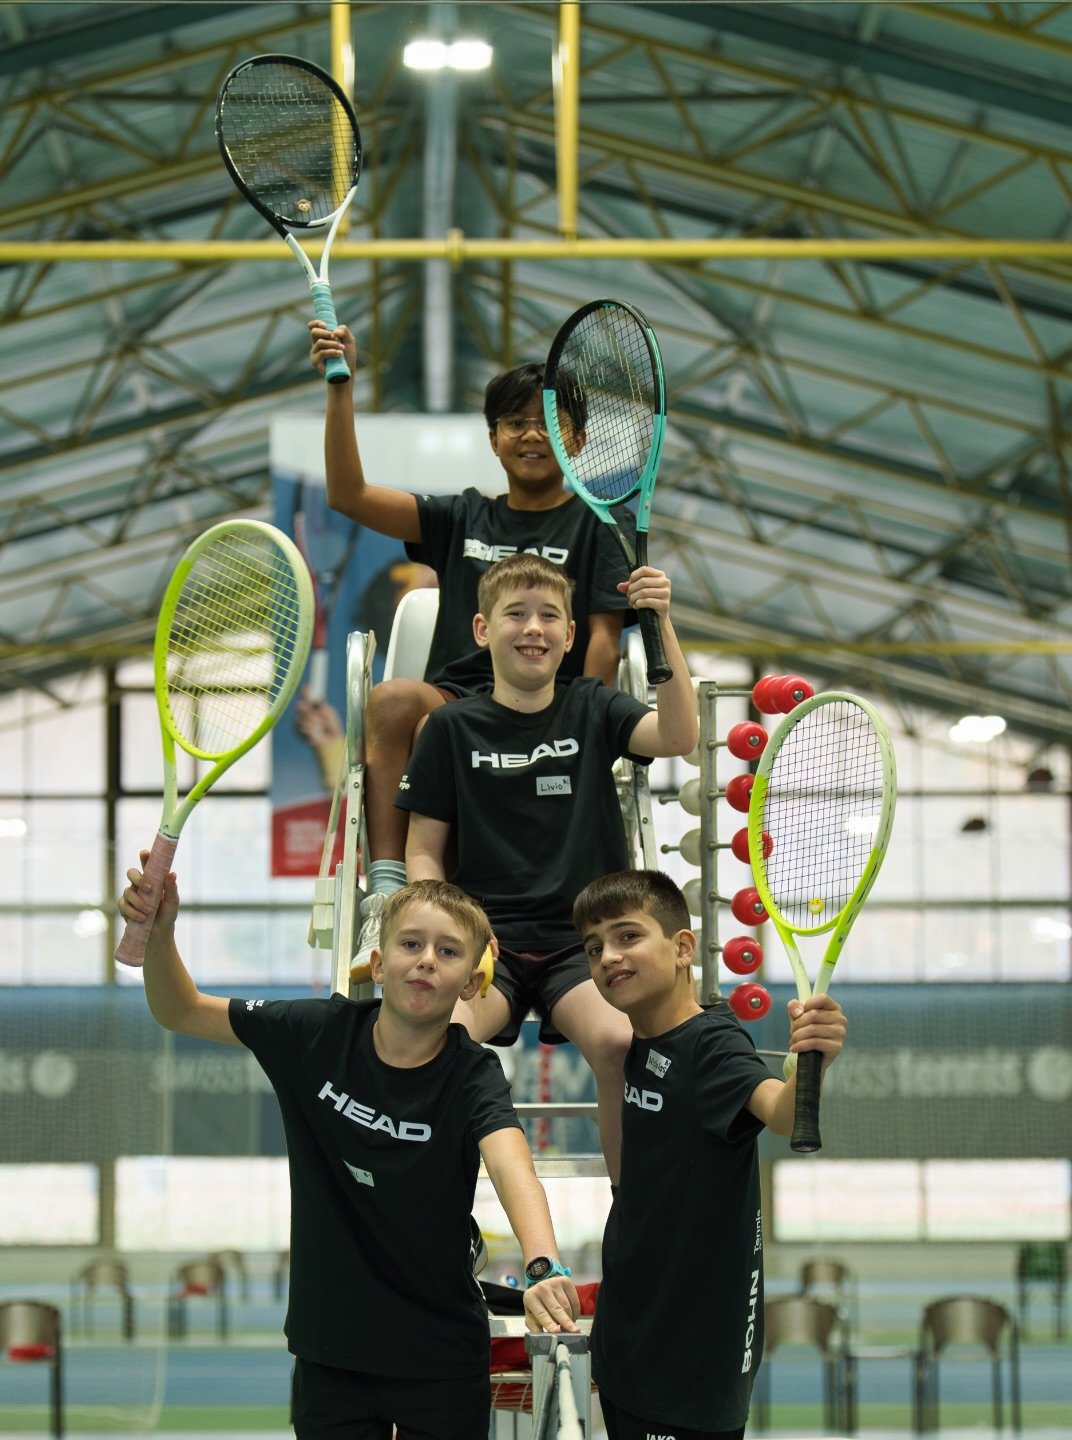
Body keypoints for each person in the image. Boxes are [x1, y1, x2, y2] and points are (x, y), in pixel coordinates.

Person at [117, 862, 581, 1440]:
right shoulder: (312, 1034)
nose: (427, 960)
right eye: (411, 944)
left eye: (449, 951)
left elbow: (513, 1166)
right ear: (379, 964)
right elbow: (179, 1009)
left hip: (440, 1356)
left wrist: (543, 1263)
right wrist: (160, 932)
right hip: (331, 1352)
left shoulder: (473, 1073)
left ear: (471, 981)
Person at [309, 320, 631, 975]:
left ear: (579, 437)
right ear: (493, 439)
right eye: (514, 423)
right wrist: (339, 389)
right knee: (401, 702)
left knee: (442, 728)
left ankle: (468, 912)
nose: (532, 434)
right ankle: (394, 893)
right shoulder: (461, 517)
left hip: (553, 704)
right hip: (462, 695)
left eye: (549, 421)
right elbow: (347, 495)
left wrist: (582, 716)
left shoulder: (600, 525)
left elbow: (603, 638)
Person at [396, 552, 698, 1182]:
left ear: (569, 637)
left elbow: (677, 737)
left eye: (550, 617)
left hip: (580, 946)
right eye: (516, 614)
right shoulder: (449, 729)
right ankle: (439, 1221)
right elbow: (424, 847)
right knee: (440, 1042)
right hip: (488, 945)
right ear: (483, 631)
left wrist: (660, 620)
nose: (533, 628)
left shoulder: (594, 706)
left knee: (619, 1043)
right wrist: (450, 931)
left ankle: (631, 1213)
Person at [572, 868, 849, 1440]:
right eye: (594, 947)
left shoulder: (712, 1045)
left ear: (683, 948)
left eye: (628, 936)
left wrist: (816, 1056)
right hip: (630, 1348)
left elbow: (781, 1112)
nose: (607, 957)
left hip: (690, 1371)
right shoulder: (640, 1042)